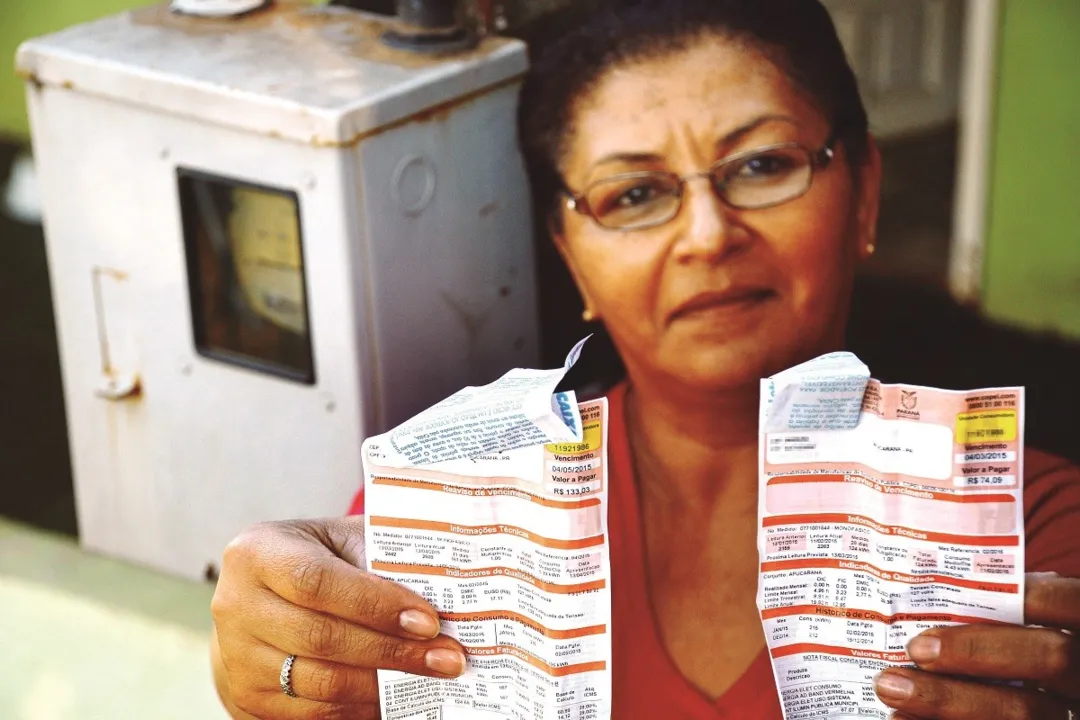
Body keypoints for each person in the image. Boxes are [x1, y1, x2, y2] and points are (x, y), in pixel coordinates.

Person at [209, 1, 1080, 718]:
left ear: (864, 193)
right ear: (568, 249)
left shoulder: (1030, 538)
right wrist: (279, 672)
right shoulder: (449, 517)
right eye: (634, 195)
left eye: (763, 164)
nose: (707, 235)